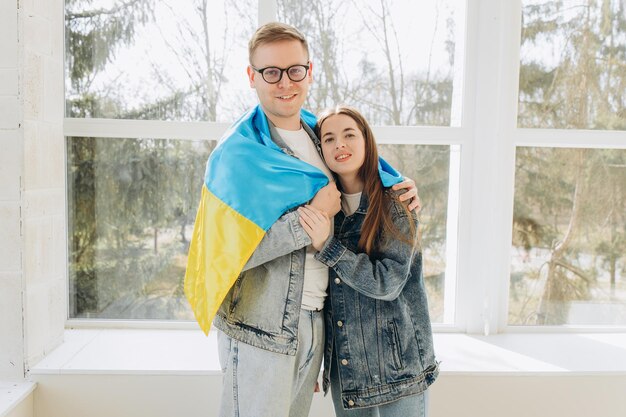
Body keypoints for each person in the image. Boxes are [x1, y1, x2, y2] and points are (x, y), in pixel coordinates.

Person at [184, 23, 421, 417]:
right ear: (252, 77)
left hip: (315, 325)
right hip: (262, 332)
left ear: (309, 73)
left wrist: (403, 187)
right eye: (270, 72)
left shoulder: (322, 136)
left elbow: (367, 188)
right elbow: (225, 255)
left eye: (295, 70)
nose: (284, 83)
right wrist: (312, 217)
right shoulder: (237, 155)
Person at [297, 105, 438, 417]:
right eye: (329, 138)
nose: (340, 145)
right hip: (346, 368)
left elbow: (388, 283)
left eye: (349, 135)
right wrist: (316, 360)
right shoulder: (320, 207)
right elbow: (323, 295)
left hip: (398, 365)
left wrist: (328, 247)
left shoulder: (396, 201)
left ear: (366, 141)